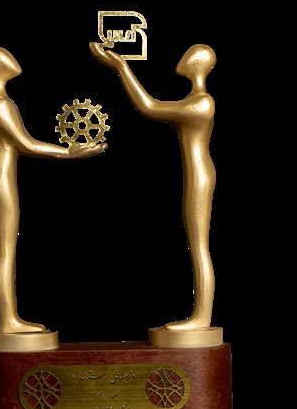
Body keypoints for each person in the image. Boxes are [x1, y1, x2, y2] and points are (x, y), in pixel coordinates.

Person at [90, 42, 216, 330]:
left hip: (199, 176)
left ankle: (202, 318)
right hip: (197, 172)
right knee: (198, 245)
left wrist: (121, 67)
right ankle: (200, 315)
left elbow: (149, 107)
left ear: (200, 64)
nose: (183, 58)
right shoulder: (195, 100)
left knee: (200, 246)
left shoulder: (202, 102)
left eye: (190, 55)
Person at [0, 47, 107, 333]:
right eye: (6, 58)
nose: (14, 61)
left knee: (7, 249)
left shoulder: (1, 103)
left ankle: (11, 317)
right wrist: (69, 153)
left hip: (4, 176)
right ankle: (8, 321)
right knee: (6, 250)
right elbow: (26, 145)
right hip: (2, 179)